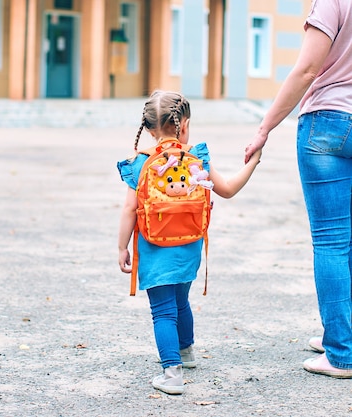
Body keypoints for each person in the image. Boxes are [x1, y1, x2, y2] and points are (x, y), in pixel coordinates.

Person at [117, 90, 262, 395]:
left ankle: (172, 375)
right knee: (180, 301)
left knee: (163, 311)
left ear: (149, 127)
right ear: (183, 125)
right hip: (189, 245)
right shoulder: (197, 159)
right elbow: (228, 189)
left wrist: (122, 247)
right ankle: (187, 353)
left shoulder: (141, 164)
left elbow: (130, 209)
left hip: (155, 249)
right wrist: (253, 163)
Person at [244, 2, 352, 379]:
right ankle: (343, 335)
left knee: (333, 240)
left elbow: (307, 69)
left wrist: (264, 127)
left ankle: (342, 353)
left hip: (328, 122)